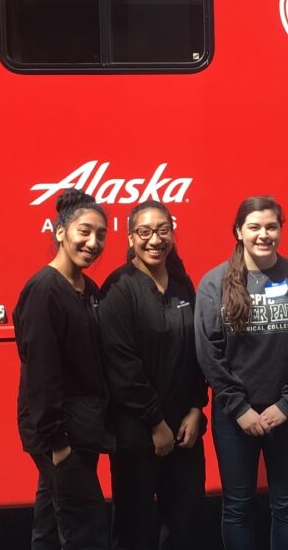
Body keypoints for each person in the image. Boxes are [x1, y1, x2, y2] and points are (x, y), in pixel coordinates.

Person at [195, 196, 288, 550]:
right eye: (254, 227)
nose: (263, 234)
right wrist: (239, 408)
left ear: (280, 230)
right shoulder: (214, 283)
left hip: (287, 415)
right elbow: (209, 353)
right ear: (239, 231)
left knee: (287, 506)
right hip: (234, 418)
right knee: (237, 507)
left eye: (271, 226)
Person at [99, 201, 208, 550]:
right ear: (131, 237)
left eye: (163, 230)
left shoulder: (181, 283)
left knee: (186, 524)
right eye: (144, 232)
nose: (155, 240)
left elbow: (197, 352)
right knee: (136, 528)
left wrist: (195, 408)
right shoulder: (118, 287)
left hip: (185, 432)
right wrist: (155, 423)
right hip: (138, 434)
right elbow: (121, 365)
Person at [13, 188, 112, 550]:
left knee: (51, 525)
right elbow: (40, 371)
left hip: (80, 427)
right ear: (60, 232)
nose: (93, 242)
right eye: (84, 231)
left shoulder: (88, 289)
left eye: (101, 234)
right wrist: (58, 442)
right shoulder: (44, 290)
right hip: (60, 433)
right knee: (87, 527)